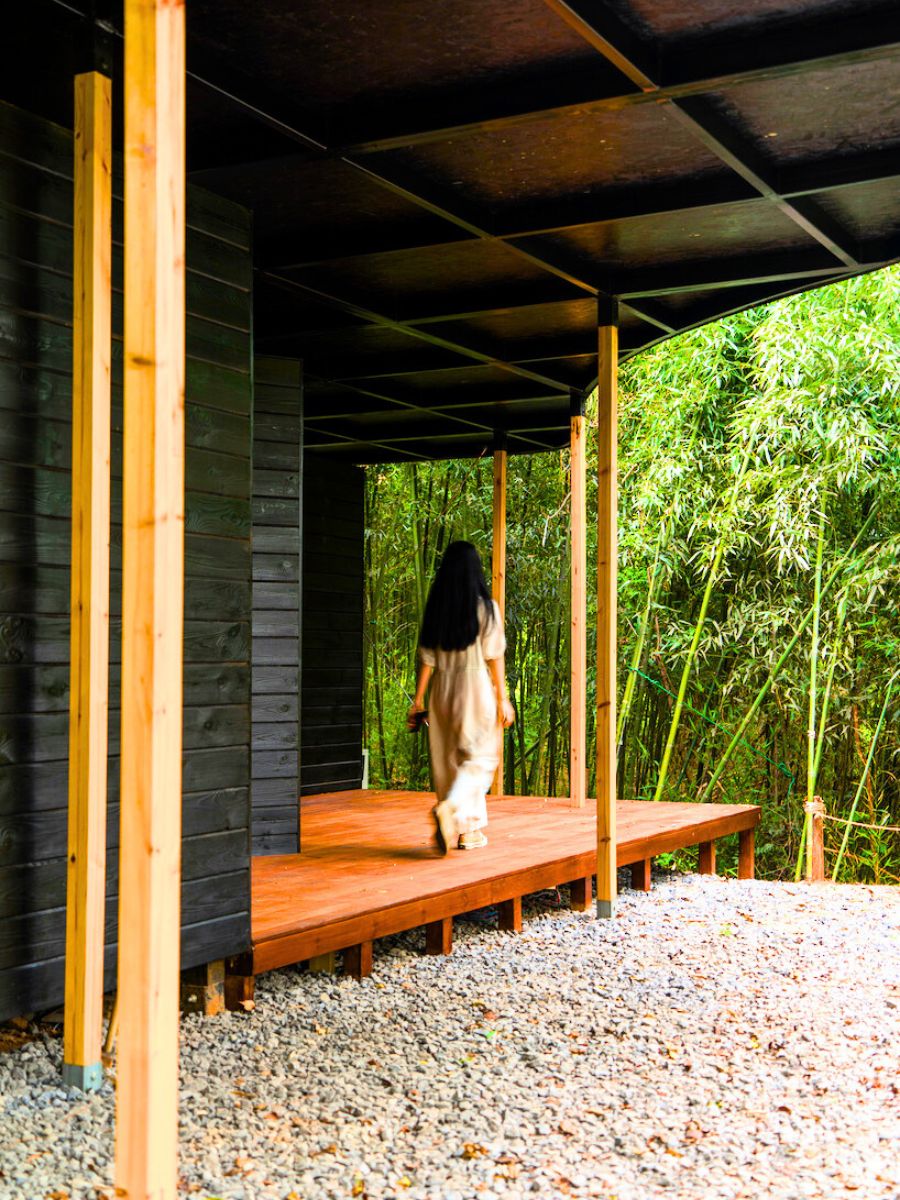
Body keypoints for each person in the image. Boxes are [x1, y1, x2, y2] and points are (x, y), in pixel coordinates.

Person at [407, 541, 515, 853]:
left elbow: (427, 658)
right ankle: (451, 809)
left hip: (442, 688)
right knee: (479, 758)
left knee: (448, 760)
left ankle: (468, 831)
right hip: (474, 684)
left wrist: (418, 700)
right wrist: (502, 697)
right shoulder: (486, 608)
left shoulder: (437, 610)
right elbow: (494, 655)